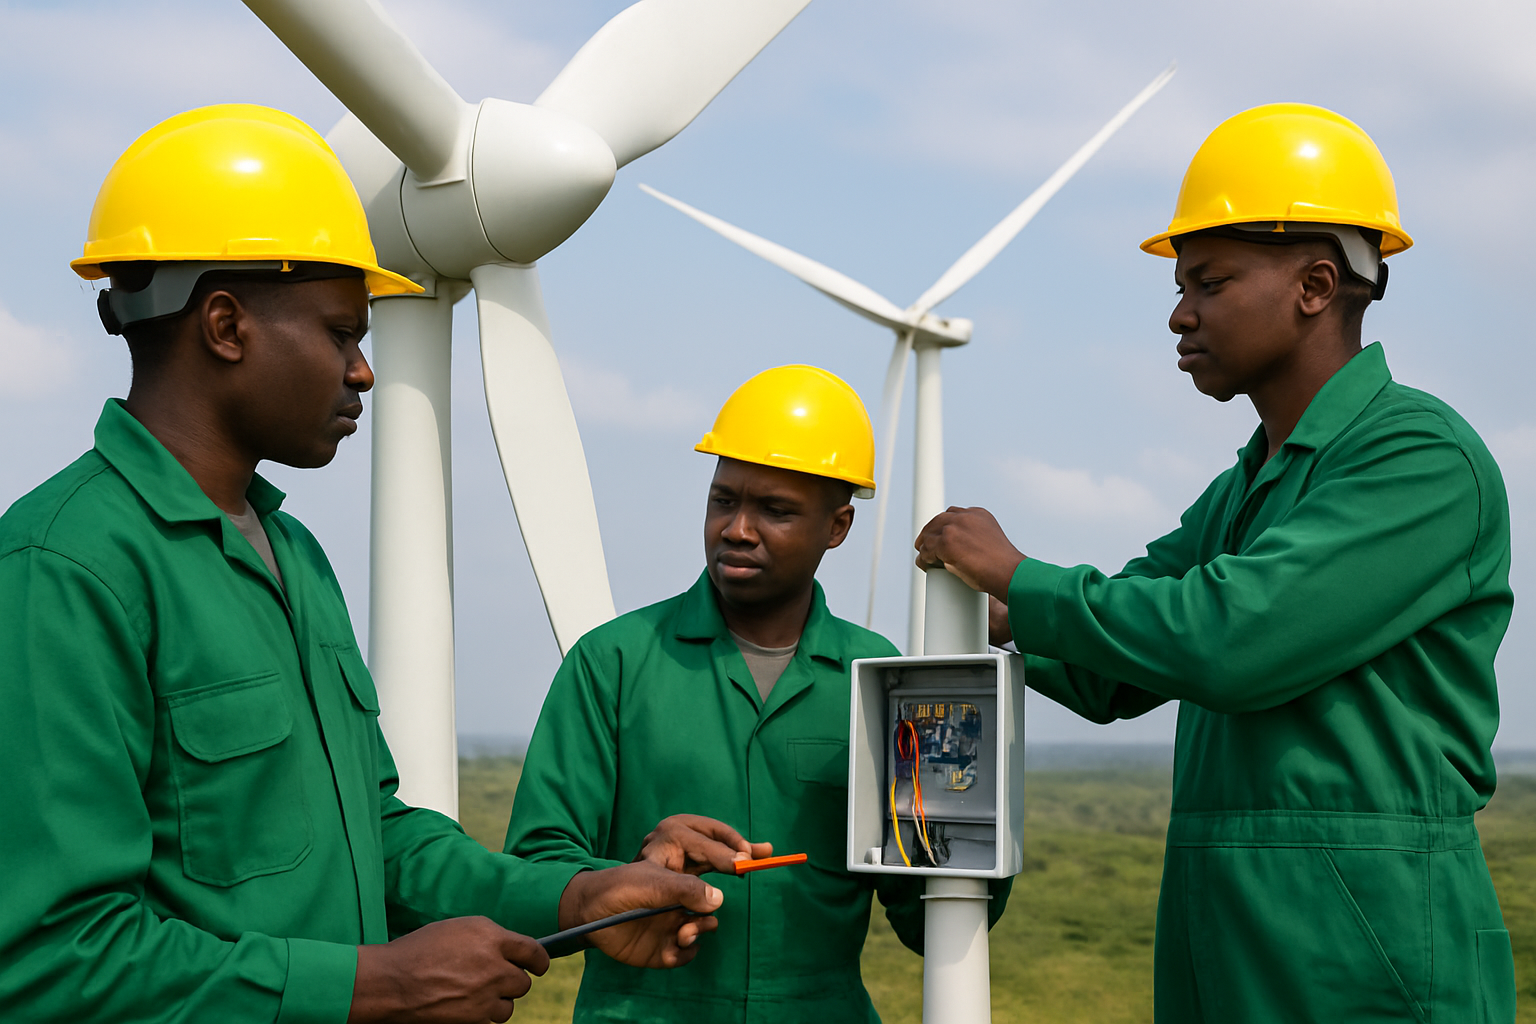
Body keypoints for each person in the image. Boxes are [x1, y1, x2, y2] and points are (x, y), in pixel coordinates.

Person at [0, 104, 742, 1024]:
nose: (364, 372)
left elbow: (379, 838)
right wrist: (375, 986)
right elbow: (49, 963)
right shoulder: (64, 569)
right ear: (226, 327)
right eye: (341, 333)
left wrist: (575, 900)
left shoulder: (293, 556)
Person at [914, 103, 1518, 1023]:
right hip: (1227, 934)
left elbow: (1234, 638)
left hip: (1365, 949)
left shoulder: (1421, 459)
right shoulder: (1250, 483)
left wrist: (1018, 576)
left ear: (1316, 285)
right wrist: (984, 620)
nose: (1178, 313)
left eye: (1210, 282)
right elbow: (1115, 656)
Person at [505, 365, 1012, 1023]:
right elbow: (534, 875)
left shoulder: (888, 680)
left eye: (774, 510)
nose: (737, 529)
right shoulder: (614, 661)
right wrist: (633, 873)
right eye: (724, 500)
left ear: (838, 526)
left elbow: (928, 920)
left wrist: (974, 793)